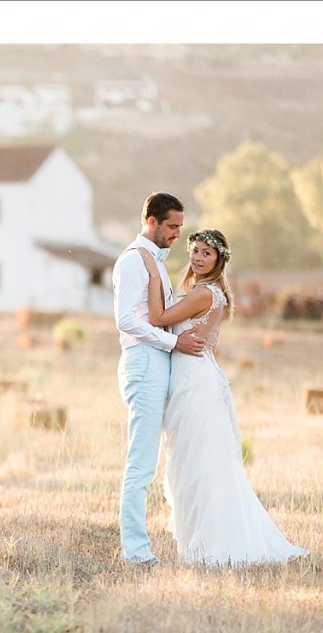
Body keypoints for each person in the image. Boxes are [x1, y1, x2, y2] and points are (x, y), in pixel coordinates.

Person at [138, 228, 309, 566]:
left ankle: (212, 545)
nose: (197, 257)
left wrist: (152, 270)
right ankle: (200, 542)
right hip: (193, 376)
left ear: (218, 261)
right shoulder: (204, 292)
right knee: (193, 461)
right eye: (195, 250)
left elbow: (157, 318)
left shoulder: (205, 293)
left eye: (206, 253)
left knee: (197, 463)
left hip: (194, 382)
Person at [112, 192, 206, 566]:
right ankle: (135, 553)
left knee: (163, 458)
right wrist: (173, 341)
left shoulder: (155, 262)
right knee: (141, 463)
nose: (177, 235)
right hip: (145, 363)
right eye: (172, 226)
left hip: (158, 362)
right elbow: (127, 320)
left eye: (181, 228)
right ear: (151, 221)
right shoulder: (134, 261)